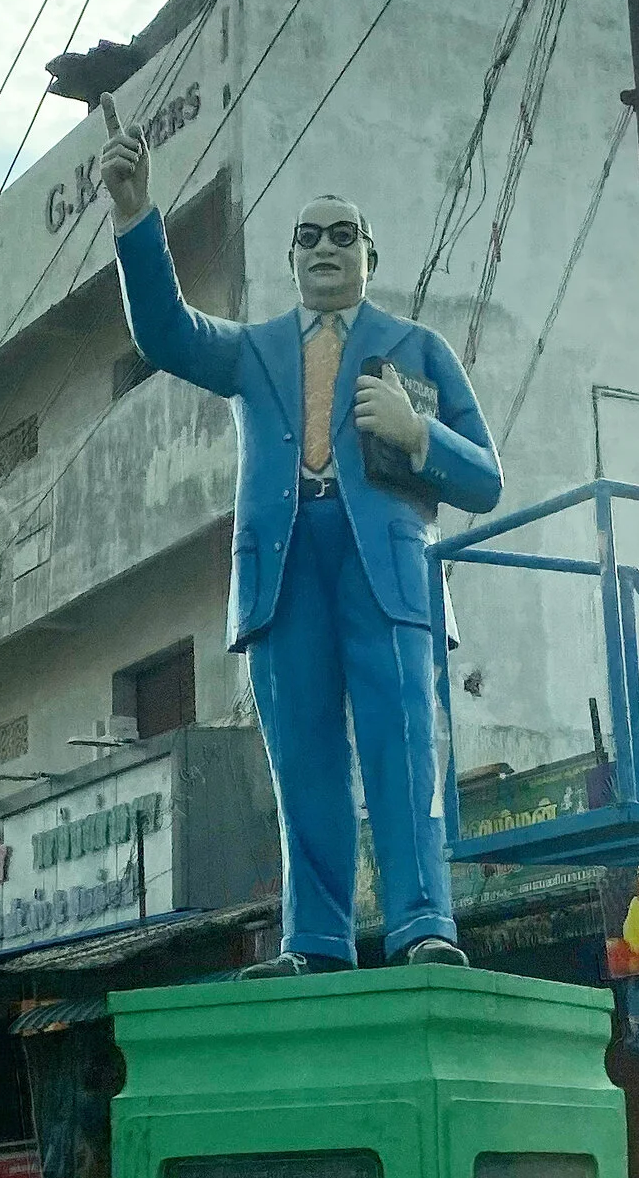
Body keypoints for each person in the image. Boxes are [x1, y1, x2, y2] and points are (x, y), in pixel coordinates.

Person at [103, 104, 503, 974]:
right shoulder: (253, 350)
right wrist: (135, 214)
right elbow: (166, 331)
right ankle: (316, 941)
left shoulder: (418, 348)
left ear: (370, 256)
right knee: (305, 763)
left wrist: (416, 431)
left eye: (343, 235)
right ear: (291, 258)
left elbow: (485, 478)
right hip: (282, 571)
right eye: (309, 237)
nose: (326, 248)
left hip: (388, 572)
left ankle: (424, 925)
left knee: (404, 753)